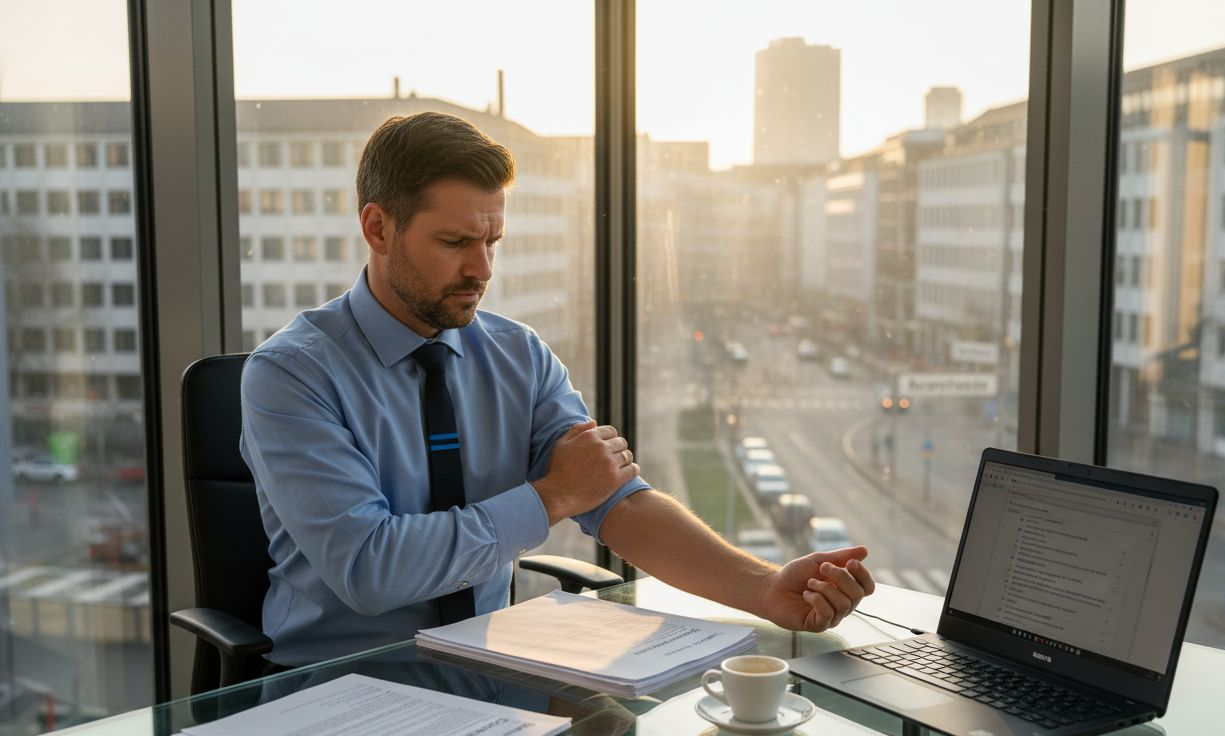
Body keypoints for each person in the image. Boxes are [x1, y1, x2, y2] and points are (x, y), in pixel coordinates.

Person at [240, 112, 874, 667]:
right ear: (377, 228)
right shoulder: (291, 375)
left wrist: (762, 588)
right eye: (456, 242)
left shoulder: (518, 354)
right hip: (336, 688)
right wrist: (553, 495)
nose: (482, 269)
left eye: (492, 242)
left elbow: (617, 503)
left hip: (491, 671)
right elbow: (369, 569)